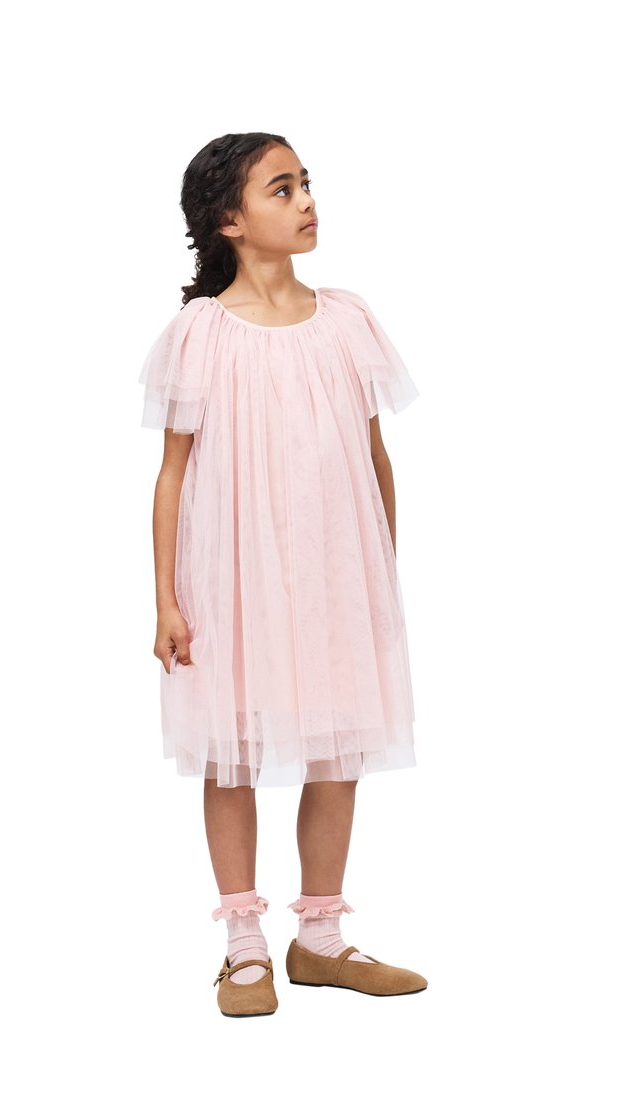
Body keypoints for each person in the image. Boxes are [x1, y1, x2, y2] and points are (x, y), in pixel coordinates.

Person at [138, 132, 428, 1017]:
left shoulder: (346, 320)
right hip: (232, 572)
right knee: (231, 749)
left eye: (306, 183)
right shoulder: (201, 333)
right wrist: (167, 599)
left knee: (338, 747)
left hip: (335, 571)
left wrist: (380, 567)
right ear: (229, 219)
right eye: (281, 188)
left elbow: (373, 455)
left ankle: (321, 941)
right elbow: (174, 475)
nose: (306, 201)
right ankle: (243, 947)